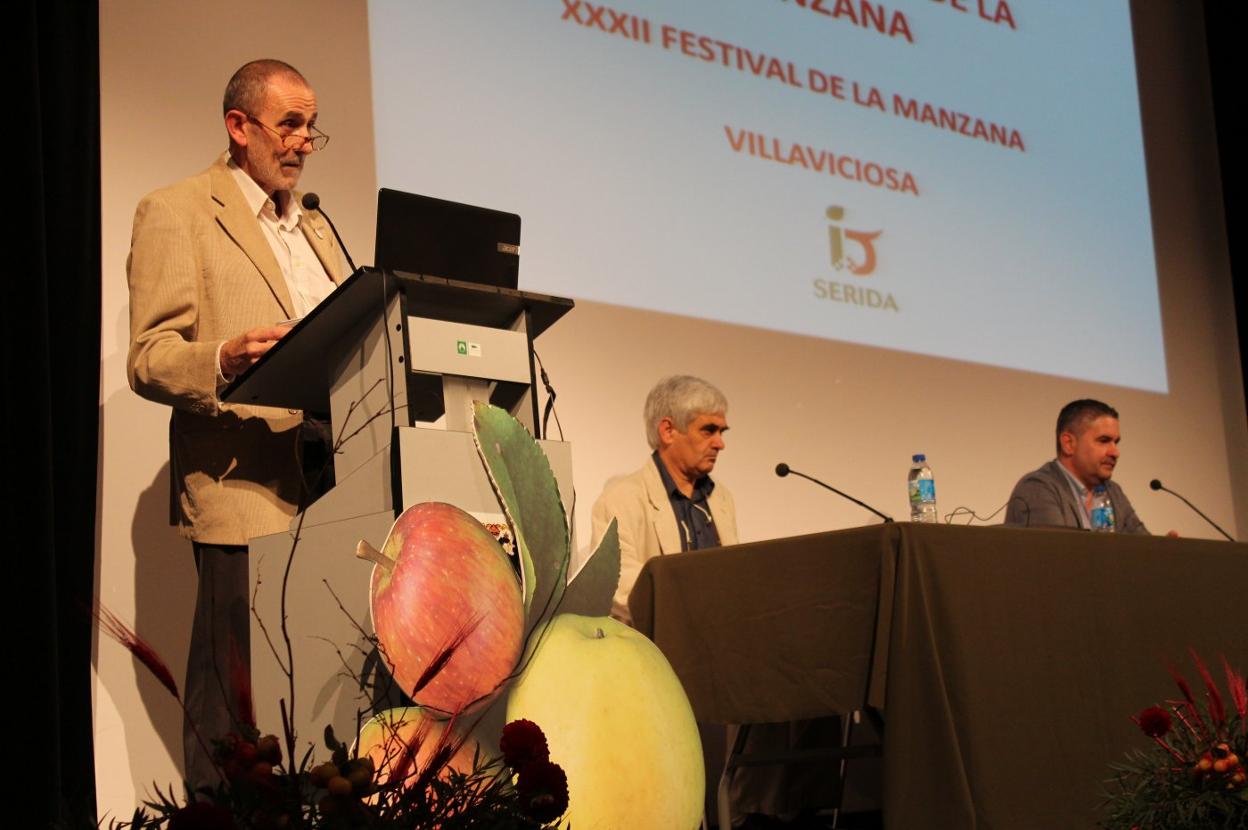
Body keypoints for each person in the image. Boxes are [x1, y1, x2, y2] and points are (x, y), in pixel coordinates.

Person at [126, 59, 346, 786]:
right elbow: (149, 357)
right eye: (289, 123)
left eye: (312, 126)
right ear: (238, 126)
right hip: (243, 484)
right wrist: (223, 357)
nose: (304, 140)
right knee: (234, 694)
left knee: (330, 678)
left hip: (339, 476)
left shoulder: (316, 226)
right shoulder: (179, 210)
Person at [590, 374, 738, 625]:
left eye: (721, 432)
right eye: (708, 430)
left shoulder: (721, 497)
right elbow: (618, 587)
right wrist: (694, 606)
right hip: (658, 648)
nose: (720, 443)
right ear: (668, 431)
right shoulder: (619, 500)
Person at [1005, 398, 1149, 533]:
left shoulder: (1113, 492)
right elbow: (1058, 553)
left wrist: (1165, 548)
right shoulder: (1038, 488)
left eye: (1115, 442)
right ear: (1069, 444)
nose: (1115, 452)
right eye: (1104, 440)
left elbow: (1143, 549)